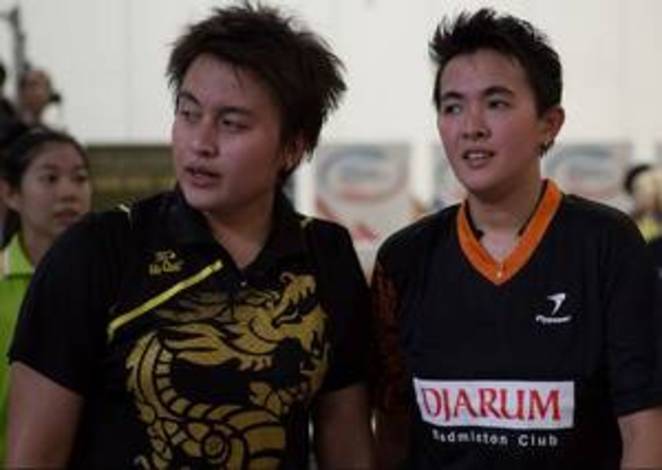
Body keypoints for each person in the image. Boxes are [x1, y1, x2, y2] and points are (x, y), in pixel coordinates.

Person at [6, 4, 374, 469]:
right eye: (188, 112)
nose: (200, 143)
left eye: (231, 123)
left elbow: (346, 440)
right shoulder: (98, 249)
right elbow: (34, 457)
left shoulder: (325, 253)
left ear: (293, 146)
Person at [370, 8, 662, 469]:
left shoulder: (608, 245)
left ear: (549, 123)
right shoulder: (404, 259)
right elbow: (392, 431)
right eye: (452, 106)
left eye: (496, 103)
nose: (471, 126)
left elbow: (643, 430)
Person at [0, 126, 92, 462]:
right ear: (11, 193)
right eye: (50, 179)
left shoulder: (115, 283)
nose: (68, 193)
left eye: (79, 179)